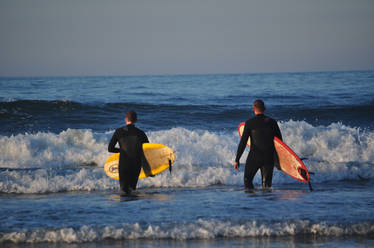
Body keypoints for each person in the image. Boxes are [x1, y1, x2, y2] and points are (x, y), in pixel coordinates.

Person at [234, 100, 282, 190]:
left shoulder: (249, 123)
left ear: (253, 109)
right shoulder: (272, 122)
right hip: (268, 157)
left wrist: (237, 159)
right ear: (264, 108)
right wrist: (279, 160)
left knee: (247, 182)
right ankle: (265, 202)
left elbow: (243, 142)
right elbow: (280, 143)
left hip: (254, 157)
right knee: (267, 186)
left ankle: (253, 202)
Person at [108, 110, 149, 194]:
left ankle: (124, 206)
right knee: (132, 190)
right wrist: (148, 168)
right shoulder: (141, 133)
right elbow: (146, 150)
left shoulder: (118, 131)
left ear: (125, 119)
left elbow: (110, 148)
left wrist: (122, 151)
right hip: (136, 164)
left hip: (124, 164)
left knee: (123, 190)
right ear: (136, 120)